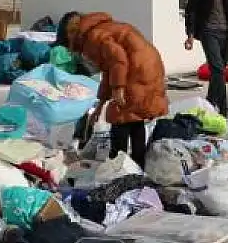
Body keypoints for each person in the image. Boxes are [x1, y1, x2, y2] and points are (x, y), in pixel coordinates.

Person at [58, 11, 168, 167]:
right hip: (147, 64)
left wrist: (118, 88)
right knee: (134, 117)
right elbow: (109, 70)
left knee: (119, 116)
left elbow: (118, 59)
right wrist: (101, 104)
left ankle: (118, 162)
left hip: (136, 68)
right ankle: (137, 164)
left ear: (71, 33)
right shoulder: (99, 29)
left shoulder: (93, 36)